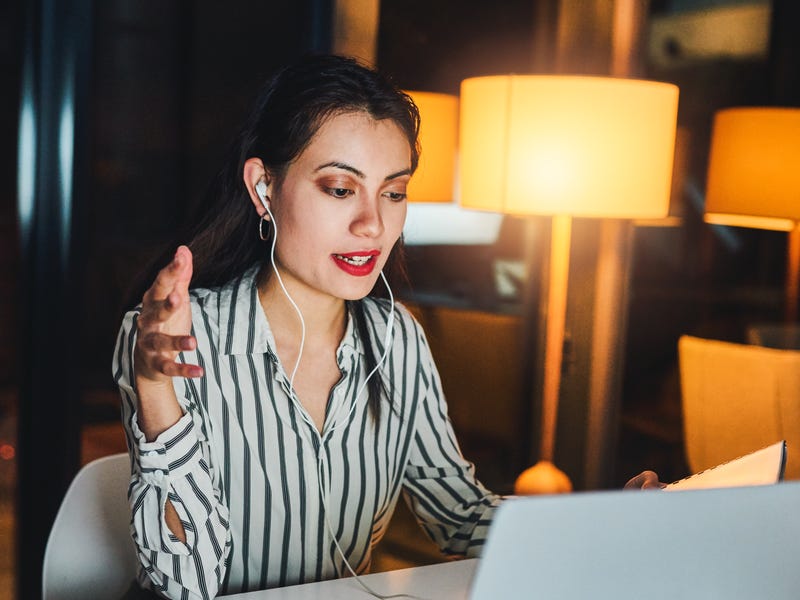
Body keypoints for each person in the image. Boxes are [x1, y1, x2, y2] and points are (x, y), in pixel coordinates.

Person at [113, 53, 661, 600]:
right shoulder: (168, 341)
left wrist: (603, 525)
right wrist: (158, 395)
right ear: (263, 188)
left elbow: (460, 514)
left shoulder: (396, 338)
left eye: (394, 193)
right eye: (339, 189)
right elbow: (185, 585)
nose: (373, 223)